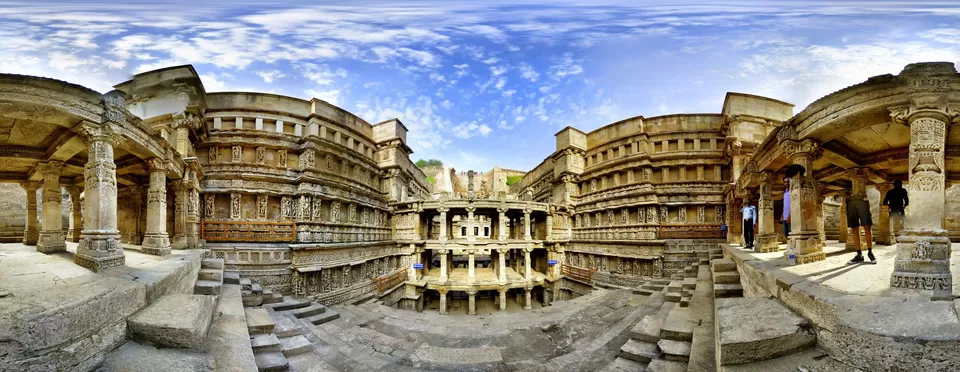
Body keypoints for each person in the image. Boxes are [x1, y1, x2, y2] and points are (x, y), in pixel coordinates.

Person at [847, 188, 875, 264]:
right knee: (854, 228)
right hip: (850, 200)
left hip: (862, 199)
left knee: (867, 227)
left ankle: (870, 253)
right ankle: (859, 255)